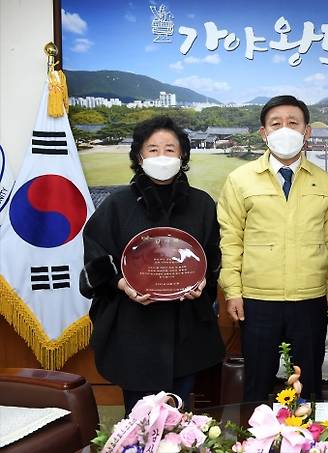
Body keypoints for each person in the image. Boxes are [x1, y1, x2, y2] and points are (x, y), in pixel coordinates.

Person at [80, 116, 224, 415]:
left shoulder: (201, 204)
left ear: (183, 155)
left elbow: (212, 254)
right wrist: (122, 283)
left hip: (187, 325)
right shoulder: (117, 204)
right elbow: (96, 258)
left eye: (170, 149)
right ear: (139, 156)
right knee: (140, 418)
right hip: (134, 326)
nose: (162, 156)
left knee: (182, 414)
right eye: (153, 149)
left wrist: (203, 281)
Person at [218, 95, 328, 402]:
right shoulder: (240, 180)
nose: (285, 129)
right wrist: (233, 290)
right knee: (257, 384)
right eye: (276, 124)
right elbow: (230, 239)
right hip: (258, 299)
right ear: (264, 133)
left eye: (293, 123)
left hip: (310, 298)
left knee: (308, 385)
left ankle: (311, 434)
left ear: (306, 131)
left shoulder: (325, 182)